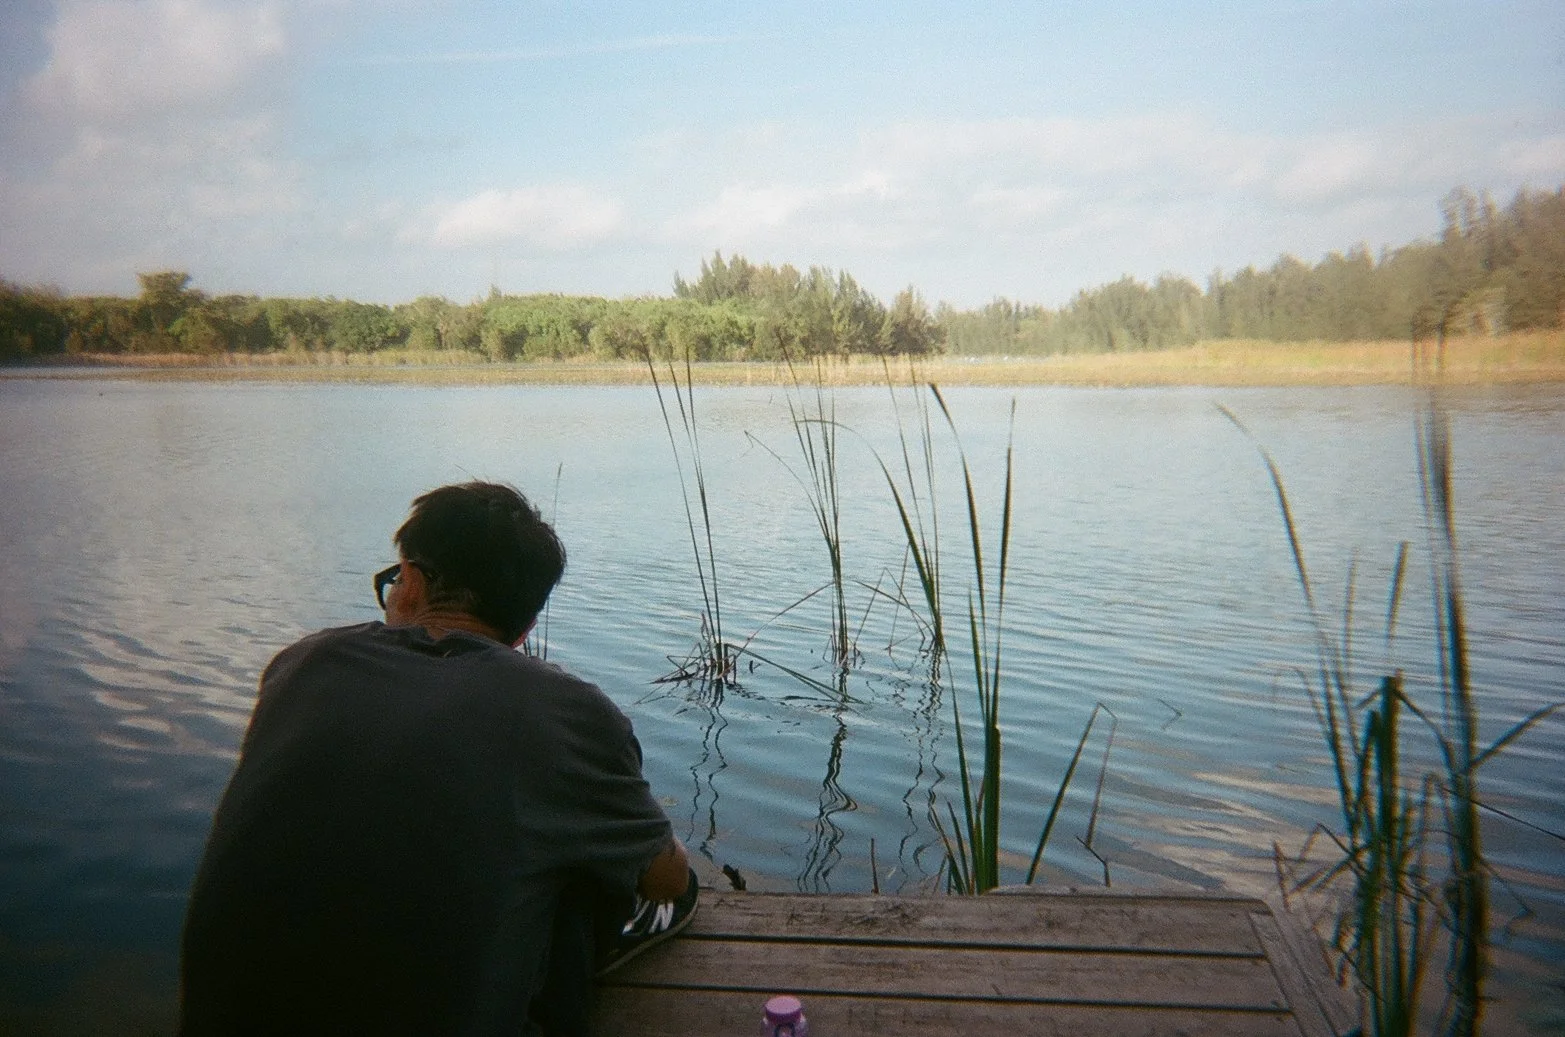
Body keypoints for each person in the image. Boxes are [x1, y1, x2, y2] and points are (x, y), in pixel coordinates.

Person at [179, 481, 696, 1036]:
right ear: (523, 630)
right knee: (599, 873)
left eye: (394, 578)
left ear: (414, 583)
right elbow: (666, 881)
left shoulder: (302, 665)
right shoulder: (565, 711)